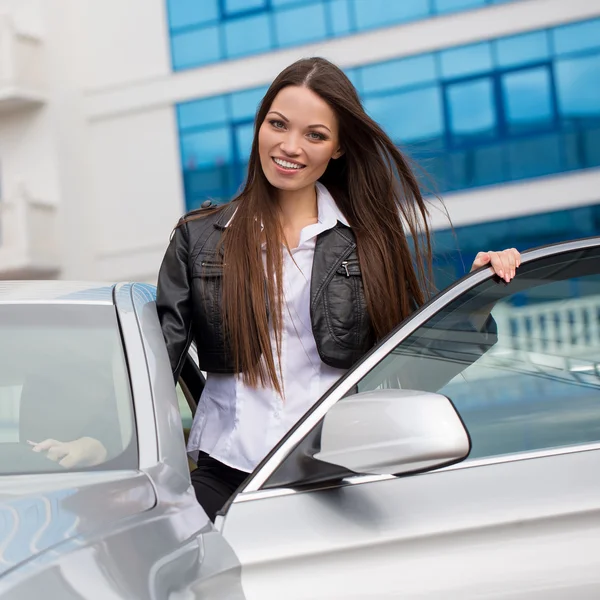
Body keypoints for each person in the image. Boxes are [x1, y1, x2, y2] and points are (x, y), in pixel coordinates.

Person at [156, 57, 521, 521]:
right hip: (223, 475)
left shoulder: (369, 242)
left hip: (336, 479)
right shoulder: (200, 236)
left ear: (339, 149)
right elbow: (158, 355)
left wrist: (477, 296)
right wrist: (98, 438)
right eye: (278, 124)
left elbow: (404, 375)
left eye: (315, 134)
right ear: (260, 126)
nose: (290, 146)